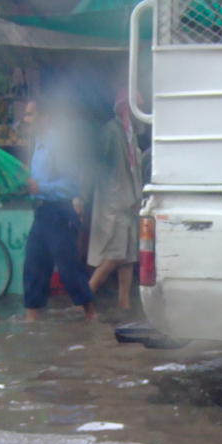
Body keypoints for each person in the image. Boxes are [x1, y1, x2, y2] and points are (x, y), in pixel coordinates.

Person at [21, 99, 97, 322]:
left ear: (45, 117)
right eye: (26, 115)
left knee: (69, 270)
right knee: (33, 267)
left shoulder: (57, 144)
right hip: (41, 212)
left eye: (30, 115)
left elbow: (72, 184)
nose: (26, 120)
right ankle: (31, 322)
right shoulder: (38, 144)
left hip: (59, 214)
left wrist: (40, 187)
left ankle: (92, 316)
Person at [87, 89, 143, 314]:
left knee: (128, 257)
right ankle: (84, 297)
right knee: (115, 255)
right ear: (125, 108)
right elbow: (98, 164)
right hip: (115, 204)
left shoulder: (131, 134)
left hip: (130, 203)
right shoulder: (111, 131)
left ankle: (124, 304)